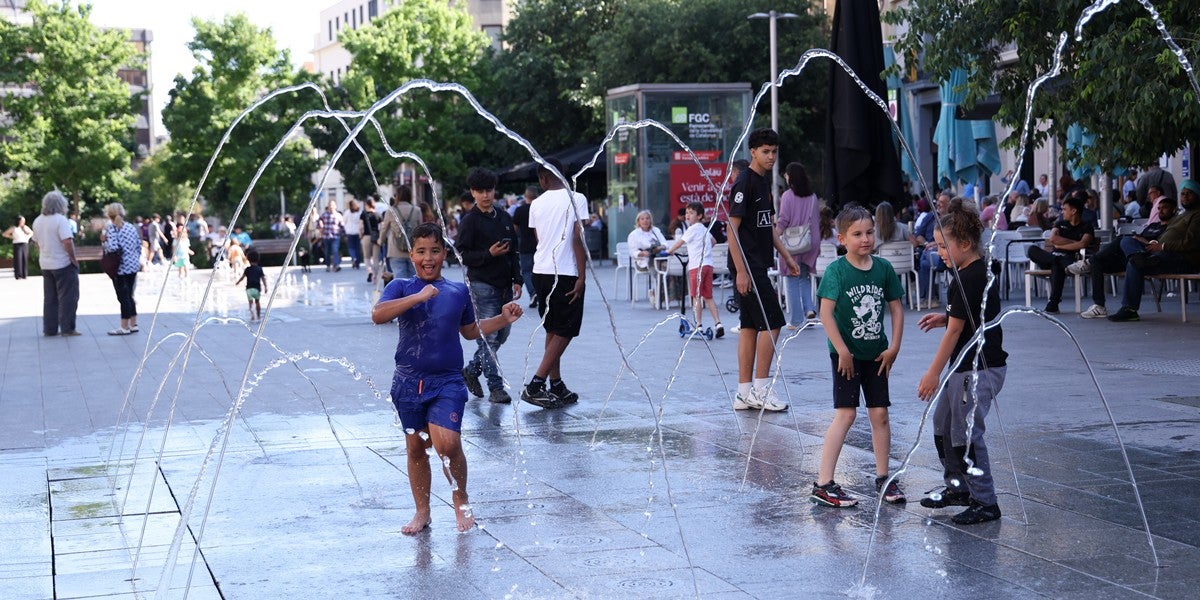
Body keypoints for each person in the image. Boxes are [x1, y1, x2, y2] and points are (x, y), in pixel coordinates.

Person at [372, 222, 523, 534]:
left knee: (449, 444)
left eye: (436, 251)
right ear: (411, 255)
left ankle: (461, 500)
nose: (429, 258)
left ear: (445, 254)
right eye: (422, 252)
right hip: (408, 383)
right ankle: (422, 512)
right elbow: (378, 314)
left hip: (448, 382)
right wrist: (418, 298)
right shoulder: (400, 287)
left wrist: (502, 318)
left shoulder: (458, 291)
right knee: (416, 448)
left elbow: (469, 331)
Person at [916, 198, 1008, 524]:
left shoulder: (969, 276)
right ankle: (958, 487)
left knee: (966, 434)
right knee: (942, 422)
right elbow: (970, 317)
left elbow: (955, 333)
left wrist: (931, 374)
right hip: (966, 367)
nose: (939, 252)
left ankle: (986, 501)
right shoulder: (969, 271)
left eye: (944, 246)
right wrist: (945, 317)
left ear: (966, 244)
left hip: (979, 368)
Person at [812, 205, 906, 508]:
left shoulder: (883, 269)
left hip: (877, 353)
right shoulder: (837, 271)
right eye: (857, 234)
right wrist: (842, 350)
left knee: (880, 414)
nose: (865, 239)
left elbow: (896, 307)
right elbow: (826, 314)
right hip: (845, 355)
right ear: (842, 238)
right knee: (847, 413)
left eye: (869, 232)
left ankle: (883, 477)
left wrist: (894, 346)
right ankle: (824, 482)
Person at [726, 128, 800, 412]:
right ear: (753, 152)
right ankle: (761, 388)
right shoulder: (745, 182)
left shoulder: (762, 182)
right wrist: (742, 271)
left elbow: (766, 226)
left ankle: (743, 393)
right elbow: (732, 228)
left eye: (774, 151)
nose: (771, 157)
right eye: (765, 151)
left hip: (756, 263)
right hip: (749, 266)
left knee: (749, 326)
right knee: (772, 324)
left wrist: (787, 257)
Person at [521, 158, 589, 409]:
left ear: (542, 179)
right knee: (564, 331)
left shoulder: (536, 203)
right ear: (564, 174)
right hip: (567, 272)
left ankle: (556, 384)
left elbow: (540, 238)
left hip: (541, 271)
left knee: (552, 328)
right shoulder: (577, 198)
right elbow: (577, 239)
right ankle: (535, 385)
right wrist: (582, 276)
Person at [456, 168, 523, 404]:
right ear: (473, 193)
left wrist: (518, 278)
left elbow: (514, 251)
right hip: (482, 285)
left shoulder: (504, 217)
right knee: (489, 338)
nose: (486, 195)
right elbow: (461, 255)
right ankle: (496, 387)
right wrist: (488, 254)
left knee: (501, 334)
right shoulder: (470, 221)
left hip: (505, 285)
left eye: (489, 190)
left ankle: (472, 370)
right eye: (480, 191)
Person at [1108, 179, 1200, 322]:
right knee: (1126, 240)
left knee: (1134, 263)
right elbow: (1165, 236)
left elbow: (1191, 243)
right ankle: (1141, 256)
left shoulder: (1197, 215)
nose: (1185, 197)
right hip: (1159, 252)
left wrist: (1161, 247)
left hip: (1181, 258)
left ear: (1197, 196)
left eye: (1190, 194)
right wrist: (1152, 243)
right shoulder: (1180, 216)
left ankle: (1130, 309)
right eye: (1183, 194)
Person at [1076, 196, 1176, 318]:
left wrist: (1144, 242)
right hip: (1133, 256)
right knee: (1098, 262)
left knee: (1123, 239)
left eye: (1165, 208)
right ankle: (1099, 306)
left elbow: (1159, 245)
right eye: (1159, 208)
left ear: (1174, 209)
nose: (1160, 211)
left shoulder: (1172, 227)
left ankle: (1088, 262)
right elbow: (1138, 239)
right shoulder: (1152, 226)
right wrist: (1139, 239)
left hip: (1150, 258)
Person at [1025, 194, 1094, 313]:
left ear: (1074, 211)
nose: (1062, 212)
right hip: (1052, 258)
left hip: (1069, 260)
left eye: (1064, 209)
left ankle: (1053, 304)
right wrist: (1074, 242)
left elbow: (1082, 244)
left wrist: (1061, 244)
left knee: (1057, 265)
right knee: (1032, 249)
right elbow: (1053, 239)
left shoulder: (1086, 227)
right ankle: (1056, 262)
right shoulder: (1060, 223)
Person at [666, 202, 723, 337]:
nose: (687, 215)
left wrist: (670, 251)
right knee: (708, 296)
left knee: (696, 297)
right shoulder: (704, 229)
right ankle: (718, 323)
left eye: (691, 213)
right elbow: (713, 241)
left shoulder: (692, 229)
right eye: (687, 213)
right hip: (708, 265)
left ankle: (699, 325)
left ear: (699, 216)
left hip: (696, 266)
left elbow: (680, 242)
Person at [776, 162, 821, 328]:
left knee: (792, 279)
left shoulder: (787, 196)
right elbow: (816, 221)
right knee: (803, 277)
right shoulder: (813, 197)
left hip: (792, 245)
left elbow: (784, 220)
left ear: (791, 177)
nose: (785, 177)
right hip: (809, 243)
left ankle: (796, 320)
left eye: (786, 175)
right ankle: (809, 309)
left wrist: (774, 234)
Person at [31, 191, 80, 337]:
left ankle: (50, 329)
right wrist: (73, 259)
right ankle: (67, 328)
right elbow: (67, 241)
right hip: (62, 263)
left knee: (50, 298)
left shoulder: (38, 220)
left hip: (46, 264)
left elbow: (37, 244)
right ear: (61, 204)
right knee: (68, 298)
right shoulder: (60, 220)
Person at [100, 203, 142, 335]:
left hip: (120, 268)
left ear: (109, 214)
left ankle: (124, 327)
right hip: (133, 265)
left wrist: (104, 241)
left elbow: (112, 247)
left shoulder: (112, 229)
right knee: (130, 295)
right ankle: (133, 324)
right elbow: (138, 245)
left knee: (123, 297)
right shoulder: (130, 227)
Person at [916, 192, 951, 306]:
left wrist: (936, 244)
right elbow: (918, 235)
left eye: (942, 203)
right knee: (925, 257)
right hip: (932, 252)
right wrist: (927, 243)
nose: (938, 205)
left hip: (947, 253)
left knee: (925, 258)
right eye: (938, 202)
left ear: (949, 204)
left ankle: (928, 299)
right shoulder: (930, 216)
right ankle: (930, 298)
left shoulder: (953, 219)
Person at [380, 185, 422, 280]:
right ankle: (414, 294)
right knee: (414, 278)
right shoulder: (417, 210)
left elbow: (384, 229)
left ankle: (402, 295)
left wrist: (380, 241)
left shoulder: (391, 211)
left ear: (397, 196)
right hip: (413, 250)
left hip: (395, 250)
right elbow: (421, 230)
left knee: (399, 279)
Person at [512, 184, 539, 307]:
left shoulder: (520, 210)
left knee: (526, 271)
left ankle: (533, 292)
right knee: (539, 271)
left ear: (525, 196)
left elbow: (514, 229)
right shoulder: (541, 208)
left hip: (525, 245)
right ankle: (540, 292)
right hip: (541, 244)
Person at [236, 249, 267, 321]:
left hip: (249, 288)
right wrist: (265, 287)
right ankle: (258, 316)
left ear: (248, 260)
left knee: (250, 303)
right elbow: (263, 278)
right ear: (258, 259)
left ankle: (252, 316)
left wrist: (237, 282)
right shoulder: (260, 269)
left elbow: (242, 277)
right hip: (257, 288)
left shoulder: (247, 269)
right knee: (257, 302)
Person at [3, 215, 34, 279]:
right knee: (18, 259)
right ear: (19, 221)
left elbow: (31, 233)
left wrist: (27, 237)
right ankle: (18, 274)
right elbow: (4, 234)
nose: (24, 222)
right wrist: (11, 237)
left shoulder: (25, 227)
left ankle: (24, 274)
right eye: (22, 220)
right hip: (17, 244)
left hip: (24, 244)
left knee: (24, 259)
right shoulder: (14, 228)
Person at [361, 196, 383, 283]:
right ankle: (375, 276)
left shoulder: (363, 215)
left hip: (366, 236)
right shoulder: (378, 214)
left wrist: (360, 235)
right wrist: (381, 237)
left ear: (367, 205)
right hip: (376, 237)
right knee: (375, 258)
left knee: (366, 257)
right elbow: (382, 227)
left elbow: (360, 227)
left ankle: (369, 271)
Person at [319, 199, 344, 272]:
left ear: (335, 206)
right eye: (330, 205)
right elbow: (319, 222)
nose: (331, 206)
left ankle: (336, 265)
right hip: (326, 236)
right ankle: (328, 265)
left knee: (335, 251)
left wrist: (343, 234)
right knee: (327, 252)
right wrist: (320, 224)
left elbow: (342, 226)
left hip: (335, 236)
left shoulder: (338, 215)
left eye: (332, 205)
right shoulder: (324, 214)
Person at [343, 199, 363, 270]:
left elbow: (344, 222)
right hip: (357, 232)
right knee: (357, 248)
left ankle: (353, 258)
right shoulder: (360, 213)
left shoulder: (347, 212)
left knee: (351, 247)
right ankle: (357, 262)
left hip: (350, 232)